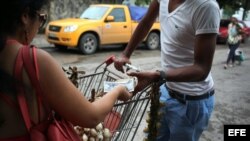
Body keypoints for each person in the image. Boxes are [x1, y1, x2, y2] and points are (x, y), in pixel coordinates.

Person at [0, 0, 132, 140]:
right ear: (25, 16)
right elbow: (91, 117)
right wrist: (117, 90)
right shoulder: (33, 60)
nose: (39, 26)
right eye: (41, 18)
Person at [114, 0, 220, 141]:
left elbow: (201, 69)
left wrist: (159, 75)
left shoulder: (206, 7)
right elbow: (146, 23)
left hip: (191, 101)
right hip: (166, 90)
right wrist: (126, 54)